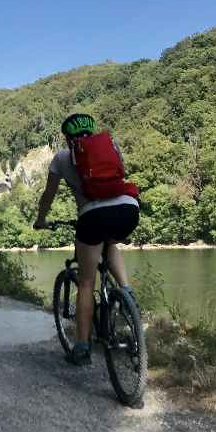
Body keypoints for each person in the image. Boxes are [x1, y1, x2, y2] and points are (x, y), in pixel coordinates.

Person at [33, 113, 140, 365]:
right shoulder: (110, 146)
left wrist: (41, 219)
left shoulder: (61, 157)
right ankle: (127, 292)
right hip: (127, 207)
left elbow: (48, 195)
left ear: (67, 137)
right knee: (110, 242)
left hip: (92, 215)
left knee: (86, 282)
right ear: (92, 131)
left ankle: (82, 347)